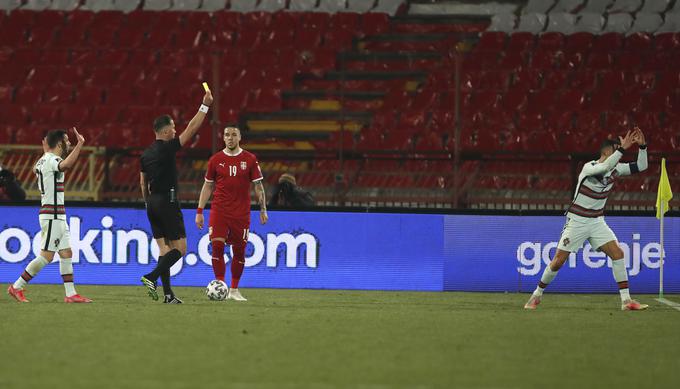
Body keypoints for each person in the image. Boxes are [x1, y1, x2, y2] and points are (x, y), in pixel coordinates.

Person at [524, 127, 648, 311]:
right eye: (617, 149)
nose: (620, 152)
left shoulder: (617, 169)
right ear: (607, 151)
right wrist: (623, 149)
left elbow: (642, 166)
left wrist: (643, 146)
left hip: (597, 221)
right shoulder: (589, 168)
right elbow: (604, 167)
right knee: (558, 260)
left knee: (618, 254)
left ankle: (626, 301)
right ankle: (536, 295)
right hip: (577, 221)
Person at [140, 88, 213, 304]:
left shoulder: (146, 154)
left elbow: (142, 182)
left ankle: (168, 295)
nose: (175, 131)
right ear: (164, 132)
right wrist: (205, 105)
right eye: (173, 128)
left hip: (152, 203)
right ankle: (150, 277)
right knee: (180, 250)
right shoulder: (166, 148)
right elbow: (191, 129)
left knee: (165, 250)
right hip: (167, 201)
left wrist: (148, 203)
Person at [7, 128, 92, 303]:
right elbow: (66, 166)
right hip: (52, 214)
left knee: (66, 252)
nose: (69, 143)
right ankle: (16, 286)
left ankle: (70, 294)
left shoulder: (42, 160)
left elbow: (36, 169)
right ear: (60, 143)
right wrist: (80, 144)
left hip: (57, 214)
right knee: (47, 255)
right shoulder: (52, 160)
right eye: (67, 141)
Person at [195, 126, 268, 302]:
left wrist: (263, 209)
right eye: (227, 134)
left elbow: (258, 186)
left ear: (240, 137)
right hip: (219, 211)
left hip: (241, 213)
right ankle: (221, 286)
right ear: (224, 137)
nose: (230, 138)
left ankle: (234, 289)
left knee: (240, 252)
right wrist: (200, 211)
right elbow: (208, 186)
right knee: (217, 247)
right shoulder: (215, 160)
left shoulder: (250, 159)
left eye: (234, 134)